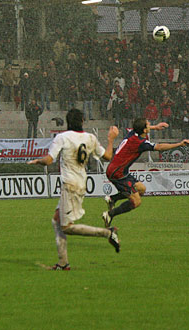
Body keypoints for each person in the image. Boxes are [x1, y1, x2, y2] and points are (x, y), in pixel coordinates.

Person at [28, 109, 120, 270]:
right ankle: (63, 263)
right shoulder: (90, 138)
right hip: (81, 184)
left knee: (66, 227)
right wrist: (111, 140)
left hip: (69, 185)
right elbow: (107, 156)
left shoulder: (62, 138)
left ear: (67, 121)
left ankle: (108, 233)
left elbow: (49, 160)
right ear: (83, 121)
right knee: (56, 221)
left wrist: (38, 161)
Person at [102, 119, 189, 227]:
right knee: (136, 202)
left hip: (119, 170)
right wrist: (179, 144)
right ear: (144, 130)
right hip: (117, 174)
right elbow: (160, 147)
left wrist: (156, 127)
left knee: (141, 189)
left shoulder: (133, 133)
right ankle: (109, 214)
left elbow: (141, 129)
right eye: (148, 124)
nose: (150, 124)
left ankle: (112, 199)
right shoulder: (140, 143)